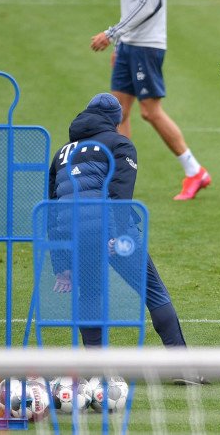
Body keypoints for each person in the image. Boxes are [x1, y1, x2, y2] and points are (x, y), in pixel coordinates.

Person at [48, 93, 194, 360]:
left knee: (91, 294)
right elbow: (120, 196)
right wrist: (118, 236)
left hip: (77, 239)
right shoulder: (119, 144)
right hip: (113, 235)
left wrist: (61, 264)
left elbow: (53, 210)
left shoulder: (61, 154)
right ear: (116, 121)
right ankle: (183, 366)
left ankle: (95, 367)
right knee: (153, 292)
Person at [90, 0, 211, 201]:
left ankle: (194, 171)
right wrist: (121, 44)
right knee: (118, 111)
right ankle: (121, 175)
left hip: (147, 45)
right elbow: (131, 5)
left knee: (150, 112)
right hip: (130, 45)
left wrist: (111, 34)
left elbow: (148, 4)